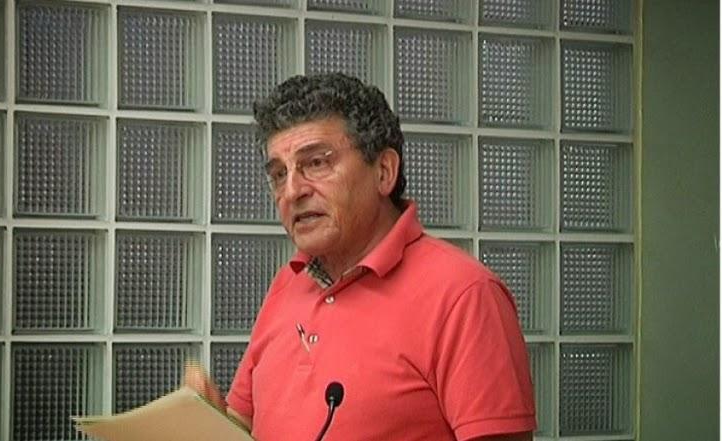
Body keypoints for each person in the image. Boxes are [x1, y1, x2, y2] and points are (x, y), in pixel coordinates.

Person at [185, 73, 536, 440]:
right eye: (278, 174)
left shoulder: (465, 294)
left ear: (383, 172)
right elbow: (249, 424)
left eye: (316, 163)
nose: (291, 192)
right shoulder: (288, 282)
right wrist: (208, 422)